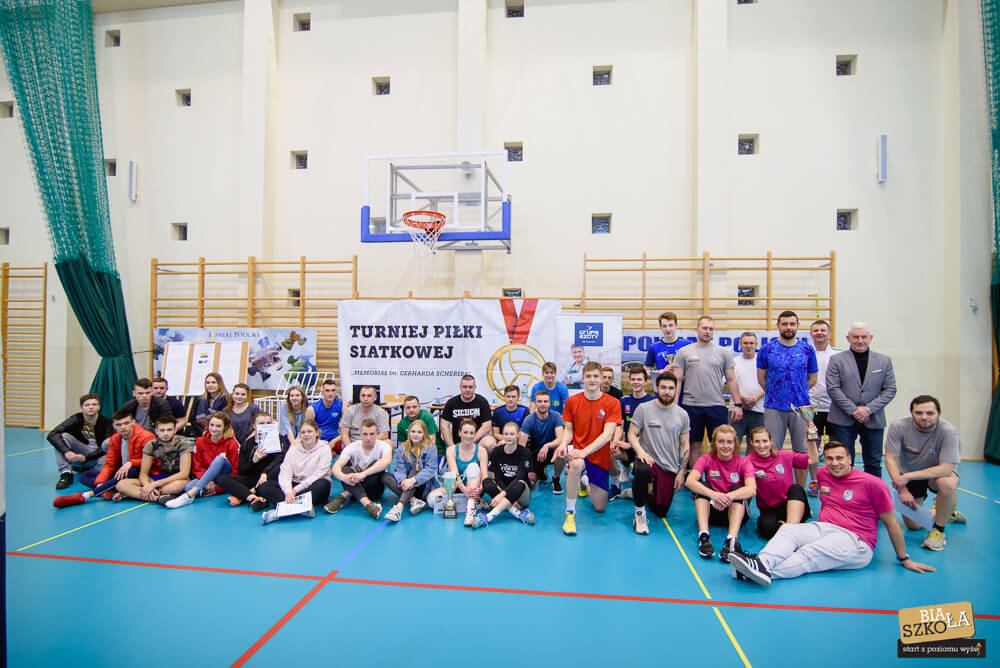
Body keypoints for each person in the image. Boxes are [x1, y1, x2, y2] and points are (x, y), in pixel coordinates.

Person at [727, 441, 935, 586]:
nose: (835, 463)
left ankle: (755, 572)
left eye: (840, 458)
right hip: (825, 528)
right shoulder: (822, 473)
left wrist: (904, 558)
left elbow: (892, 523)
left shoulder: (873, 484)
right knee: (789, 530)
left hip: (857, 541)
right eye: (830, 459)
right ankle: (761, 563)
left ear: (850, 458)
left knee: (809, 554)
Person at [885, 395, 966, 551]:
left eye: (930, 413)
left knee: (947, 484)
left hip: (937, 474)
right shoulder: (898, 426)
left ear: (939, 413)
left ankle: (938, 531)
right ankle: (945, 511)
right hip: (909, 473)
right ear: (911, 413)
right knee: (914, 525)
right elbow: (890, 459)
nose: (924, 417)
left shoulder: (949, 431)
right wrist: (902, 489)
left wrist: (908, 477)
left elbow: (946, 468)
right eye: (919, 412)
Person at [619, 371, 690, 534]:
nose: (667, 391)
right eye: (663, 387)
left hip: (668, 465)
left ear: (676, 389)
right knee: (642, 469)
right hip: (648, 459)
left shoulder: (682, 414)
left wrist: (681, 472)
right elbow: (631, 434)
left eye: (670, 388)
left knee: (660, 511)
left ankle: (637, 492)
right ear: (657, 388)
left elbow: (685, 444)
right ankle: (639, 514)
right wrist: (640, 452)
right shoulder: (644, 409)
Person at [555, 361, 622, 535]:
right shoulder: (572, 401)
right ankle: (570, 514)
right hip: (579, 452)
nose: (592, 379)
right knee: (576, 465)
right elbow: (568, 429)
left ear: (601, 379)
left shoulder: (612, 403)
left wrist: (585, 452)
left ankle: (584, 481)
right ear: (583, 379)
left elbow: (608, 434)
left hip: (599, 455)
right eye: (588, 376)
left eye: (595, 376)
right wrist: (563, 443)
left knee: (600, 508)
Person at [826, 322, 897, 478]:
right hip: (842, 419)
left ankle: (873, 493)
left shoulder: (884, 361)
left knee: (873, 462)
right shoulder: (836, 360)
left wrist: (868, 409)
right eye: (856, 337)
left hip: (874, 418)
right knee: (843, 462)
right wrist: (853, 410)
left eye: (864, 337)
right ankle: (845, 493)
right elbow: (833, 388)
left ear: (870, 338)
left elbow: (890, 389)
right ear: (848, 338)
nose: (860, 341)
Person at [756, 311, 818, 488]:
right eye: (784, 324)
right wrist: (776, 393)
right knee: (773, 451)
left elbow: (812, 379)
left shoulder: (807, 350)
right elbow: (761, 378)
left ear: (797, 326)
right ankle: (777, 490)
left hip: (802, 409)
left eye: (792, 324)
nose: (788, 327)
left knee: (802, 452)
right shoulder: (767, 349)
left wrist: (798, 392)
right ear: (778, 326)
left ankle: (800, 492)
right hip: (774, 406)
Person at [674, 316, 743, 470]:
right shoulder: (684, 352)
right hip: (691, 406)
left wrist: (738, 404)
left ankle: (718, 478)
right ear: (696, 329)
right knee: (694, 445)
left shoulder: (723, 353)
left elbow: (731, 379)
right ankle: (694, 478)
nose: (707, 331)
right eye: (704, 328)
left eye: (711, 329)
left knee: (720, 445)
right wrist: (674, 405)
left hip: (716, 406)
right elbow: (677, 380)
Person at [52, 410, 155, 508]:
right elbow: (110, 464)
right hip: (122, 471)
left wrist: (131, 463)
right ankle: (108, 491)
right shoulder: (115, 438)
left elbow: (153, 460)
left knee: (131, 470)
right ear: (114, 426)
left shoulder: (146, 437)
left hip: (142, 472)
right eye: (119, 425)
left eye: (126, 423)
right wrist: (100, 482)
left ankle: (87, 495)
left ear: (133, 422)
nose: (123, 427)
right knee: (85, 476)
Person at [685, 425, 756, 562]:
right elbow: (690, 481)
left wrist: (728, 497)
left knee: (737, 489)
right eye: (721, 441)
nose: (725, 446)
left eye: (729, 442)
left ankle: (731, 540)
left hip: (736, 512)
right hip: (713, 510)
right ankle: (704, 536)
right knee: (703, 487)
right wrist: (713, 495)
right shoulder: (706, 459)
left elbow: (751, 489)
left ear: (734, 444)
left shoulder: (744, 462)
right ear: (714, 443)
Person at [745, 427, 818, 539]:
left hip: (793, 504)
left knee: (796, 488)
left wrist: (811, 440)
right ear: (751, 442)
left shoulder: (784, 455)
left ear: (771, 441)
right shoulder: (748, 462)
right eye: (757, 441)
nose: (762, 445)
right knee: (765, 527)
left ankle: (788, 527)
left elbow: (813, 459)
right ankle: (793, 528)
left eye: (765, 441)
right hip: (770, 510)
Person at [257, 419, 332, 523]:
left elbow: (317, 475)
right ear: (300, 435)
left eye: (309, 431)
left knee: (323, 484)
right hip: (294, 485)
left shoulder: (324, 449)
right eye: (303, 432)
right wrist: (288, 491)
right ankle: (301, 508)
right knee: (264, 487)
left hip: (311, 486)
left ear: (317, 433)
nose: (306, 434)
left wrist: (295, 491)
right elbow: (285, 473)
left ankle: (279, 512)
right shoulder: (293, 450)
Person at [165, 413, 241, 508]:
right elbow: (197, 467)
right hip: (206, 477)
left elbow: (235, 470)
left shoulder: (232, 443)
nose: (214, 428)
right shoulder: (200, 441)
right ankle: (197, 490)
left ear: (225, 427)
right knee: (188, 487)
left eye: (218, 426)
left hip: (224, 476)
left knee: (220, 458)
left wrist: (218, 490)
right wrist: (208, 481)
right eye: (212, 425)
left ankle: (189, 496)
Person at [116, 416, 193, 505]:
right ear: (156, 431)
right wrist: (147, 486)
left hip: (176, 479)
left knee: (178, 486)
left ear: (175, 430)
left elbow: (184, 473)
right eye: (162, 430)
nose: (165, 433)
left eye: (169, 430)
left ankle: (140, 494)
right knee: (121, 485)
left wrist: (154, 485)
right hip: (158, 478)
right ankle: (158, 498)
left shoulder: (183, 443)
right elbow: (143, 474)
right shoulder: (151, 445)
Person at [326, 418, 393, 520]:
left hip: (374, 489)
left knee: (377, 465)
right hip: (354, 484)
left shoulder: (384, 446)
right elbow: (336, 467)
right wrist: (344, 477)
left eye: (372, 434)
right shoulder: (352, 447)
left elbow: (386, 462)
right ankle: (368, 504)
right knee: (345, 470)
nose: (368, 438)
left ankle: (345, 494)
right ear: (360, 434)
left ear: (377, 434)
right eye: (365, 434)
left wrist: (363, 474)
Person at [217, 412, 286, 511]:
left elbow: (280, 460)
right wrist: (254, 461)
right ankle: (252, 497)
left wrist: (265, 473)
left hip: (269, 478)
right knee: (222, 479)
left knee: (274, 476)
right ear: (254, 426)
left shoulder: (279, 440)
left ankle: (244, 495)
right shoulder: (247, 443)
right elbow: (241, 470)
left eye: (268, 423)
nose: (265, 426)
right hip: (253, 478)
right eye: (261, 423)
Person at [473, 421, 536, 528]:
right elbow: (496, 477)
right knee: (486, 482)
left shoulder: (525, 452)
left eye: (512, 434)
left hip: (520, 494)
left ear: (518, 435)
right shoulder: (496, 451)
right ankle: (518, 513)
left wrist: (502, 495)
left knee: (519, 483)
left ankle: (488, 517)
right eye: (506, 434)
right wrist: (508, 497)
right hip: (502, 490)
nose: (508, 437)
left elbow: (520, 477)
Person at [47, 393, 114, 489]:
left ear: (99, 407)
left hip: (98, 455)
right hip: (80, 453)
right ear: (81, 407)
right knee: (62, 437)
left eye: (94, 404)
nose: (91, 407)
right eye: (87, 405)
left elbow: (106, 447)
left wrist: (86, 457)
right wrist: (67, 452)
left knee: (106, 456)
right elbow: (52, 434)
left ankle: (89, 469)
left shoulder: (107, 422)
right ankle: (66, 473)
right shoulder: (76, 419)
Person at [384, 420, 441, 522]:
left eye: (419, 432)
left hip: (423, 486)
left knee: (415, 470)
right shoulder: (402, 448)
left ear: (424, 434)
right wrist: (403, 481)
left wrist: (413, 480)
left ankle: (399, 507)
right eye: (413, 431)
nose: (415, 435)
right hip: (406, 486)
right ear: (409, 433)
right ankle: (413, 500)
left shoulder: (431, 448)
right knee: (385, 476)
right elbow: (400, 469)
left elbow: (430, 470)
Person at [611, 366, 655, 496]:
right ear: (630, 381)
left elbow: (650, 430)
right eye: (633, 379)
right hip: (627, 443)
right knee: (611, 451)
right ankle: (623, 469)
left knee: (642, 484)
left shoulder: (652, 402)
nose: (636, 382)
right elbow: (620, 425)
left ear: (645, 382)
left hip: (645, 446)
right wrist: (616, 441)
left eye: (639, 379)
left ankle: (637, 472)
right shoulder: (624, 401)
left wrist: (631, 444)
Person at [807, 319, 838, 495]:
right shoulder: (805, 353)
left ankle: (835, 482)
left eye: (823, 330)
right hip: (811, 409)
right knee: (812, 445)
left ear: (829, 333)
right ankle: (814, 482)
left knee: (836, 446)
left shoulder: (839, 355)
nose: (819, 333)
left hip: (835, 408)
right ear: (811, 333)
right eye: (816, 330)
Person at [445, 418, 490, 526]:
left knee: (473, 467)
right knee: (432, 500)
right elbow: (454, 474)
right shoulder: (451, 450)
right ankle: (476, 502)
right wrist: (464, 490)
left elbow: (484, 475)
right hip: (459, 486)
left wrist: (480, 489)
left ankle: (470, 513)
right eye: (465, 432)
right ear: (459, 433)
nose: (468, 436)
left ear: (475, 434)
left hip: (475, 488)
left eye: (471, 433)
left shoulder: (482, 451)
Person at [518, 390, 566, 493]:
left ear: (549, 403)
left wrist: (547, 446)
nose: (542, 404)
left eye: (545, 401)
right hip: (536, 453)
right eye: (539, 401)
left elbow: (560, 438)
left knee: (562, 451)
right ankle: (540, 471)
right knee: (530, 483)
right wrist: (527, 468)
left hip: (551, 451)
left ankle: (556, 479)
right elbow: (522, 444)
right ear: (535, 403)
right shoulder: (529, 419)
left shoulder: (556, 416)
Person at [440, 375, 497, 453]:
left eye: (470, 387)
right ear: (460, 387)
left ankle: (482, 460)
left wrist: (471, 440)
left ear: (475, 387)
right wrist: (452, 447)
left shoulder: (482, 402)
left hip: (477, 442)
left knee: (490, 442)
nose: (467, 390)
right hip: (457, 443)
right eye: (464, 387)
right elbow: (444, 425)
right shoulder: (451, 403)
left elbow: (487, 426)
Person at [731, 332, 765, 450]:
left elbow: (768, 383)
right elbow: (729, 384)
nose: (748, 346)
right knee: (734, 444)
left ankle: (751, 465)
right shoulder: (733, 362)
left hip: (758, 409)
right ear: (740, 344)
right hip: (737, 409)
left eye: (751, 343)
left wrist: (755, 398)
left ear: (756, 344)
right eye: (745, 343)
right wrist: (743, 399)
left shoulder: (763, 363)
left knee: (755, 446)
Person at [644, 311, 691, 375]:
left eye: (671, 325)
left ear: (676, 326)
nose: (668, 329)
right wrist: (661, 372)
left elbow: (693, 368)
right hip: (662, 381)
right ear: (660, 327)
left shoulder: (687, 345)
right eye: (664, 326)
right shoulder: (654, 347)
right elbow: (646, 370)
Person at [305, 379, 343, 449]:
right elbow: (307, 430)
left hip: (336, 440)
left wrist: (334, 441)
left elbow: (347, 430)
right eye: (327, 390)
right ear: (322, 392)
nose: (330, 393)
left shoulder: (342, 406)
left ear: (336, 392)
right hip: (318, 440)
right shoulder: (312, 409)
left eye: (333, 390)